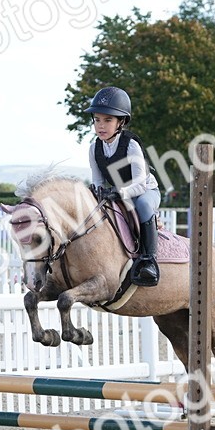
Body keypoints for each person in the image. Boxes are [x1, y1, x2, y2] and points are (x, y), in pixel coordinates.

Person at [84, 86, 161, 287]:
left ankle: (149, 261)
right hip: (119, 194)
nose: (101, 125)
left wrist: (119, 192)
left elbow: (140, 185)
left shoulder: (131, 145)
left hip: (145, 191)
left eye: (108, 120)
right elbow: (98, 182)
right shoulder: (94, 148)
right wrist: (98, 194)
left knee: (143, 205)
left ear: (121, 122)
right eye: (97, 120)